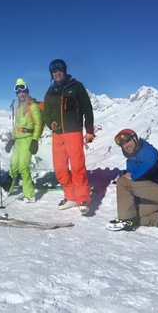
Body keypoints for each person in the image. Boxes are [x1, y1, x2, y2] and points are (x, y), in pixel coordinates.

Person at [42, 59, 94, 215]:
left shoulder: (76, 86)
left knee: (77, 166)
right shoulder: (50, 91)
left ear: (64, 70)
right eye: (54, 71)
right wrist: (51, 124)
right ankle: (70, 197)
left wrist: (89, 130)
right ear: (52, 74)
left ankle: (82, 198)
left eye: (60, 70)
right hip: (57, 135)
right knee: (60, 168)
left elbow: (87, 108)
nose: (57, 73)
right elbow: (46, 113)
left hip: (73, 132)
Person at [107, 129, 158, 234]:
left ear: (134, 139)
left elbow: (150, 164)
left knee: (122, 182)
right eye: (123, 144)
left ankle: (125, 221)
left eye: (128, 141)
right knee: (134, 214)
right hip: (156, 196)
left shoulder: (147, 150)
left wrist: (133, 176)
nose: (126, 146)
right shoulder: (130, 161)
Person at [0, 78, 43, 202]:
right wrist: (11, 139)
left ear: (27, 91)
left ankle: (29, 195)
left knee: (23, 167)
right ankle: (6, 188)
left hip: (28, 139)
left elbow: (37, 124)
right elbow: (17, 126)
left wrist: (34, 140)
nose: (21, 94)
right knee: (13, 165)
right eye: (18, 92)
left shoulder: (32, 107)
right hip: (18, 140)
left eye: (23, 91)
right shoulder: (19, 106)